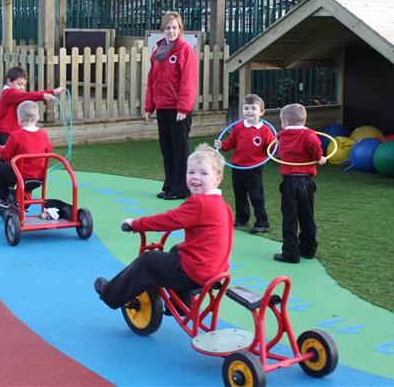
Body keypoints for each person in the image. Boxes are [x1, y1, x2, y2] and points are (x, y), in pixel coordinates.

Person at [94, 144, 233, 309]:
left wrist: (136, 224)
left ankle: (110, 294)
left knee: (148, 260)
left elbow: (168, 220)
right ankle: (181, 303)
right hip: (217, 270)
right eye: (191, 172)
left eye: (203, 173)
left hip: (197, 271)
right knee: (177, 249)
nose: (195, 177)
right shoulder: (223, 206)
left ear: (218, 178)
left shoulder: (200, 203)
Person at [144, 11, 198, 200]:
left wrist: (183, 108)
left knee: (179, 150)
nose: (171, 31)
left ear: (180, 29)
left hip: (178, 109)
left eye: (175, 27)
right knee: (167, 148)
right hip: (163, 106)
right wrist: (149, 108)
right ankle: (169, 185)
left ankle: (181, 188)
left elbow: (188, 82)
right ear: (162, 30)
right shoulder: (158, 51)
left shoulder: (185, 50)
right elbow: (152, 81)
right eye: (168, 28)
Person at [273, 103, 327, 264]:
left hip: (290, 182)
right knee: (307, 216)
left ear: (286, 122)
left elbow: (278, 150)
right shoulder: (310, 135)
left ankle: (290, 253)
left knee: (290, 218)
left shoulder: (282, 135)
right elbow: (316, 149)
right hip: (306, 182)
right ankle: (308, 250)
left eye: (282, 121)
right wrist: (320, 159)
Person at [214, 93, 275, 233]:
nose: (249, 111)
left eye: (253, 108)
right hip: (238, 166)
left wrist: (275, 147)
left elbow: (270, 149)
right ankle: (242, 218)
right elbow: (231, 143)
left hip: (254, 168)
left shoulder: (265, 130)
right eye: (246, 108)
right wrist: (221, 144)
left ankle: (262, 222)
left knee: (256, 195)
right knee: (239, 194)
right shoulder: (239, 127)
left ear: (261, 112)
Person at [0, 101, 53, 208]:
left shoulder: (16, 135)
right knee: (30, 165)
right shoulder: (44, 134)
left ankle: (0, 197)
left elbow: (5, 154)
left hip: (21, 175)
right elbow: (49, 149)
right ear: (37, 118)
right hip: (39, 176)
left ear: (19, 119)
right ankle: (24, 197)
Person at [0, 66, 63, 146]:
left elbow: (29, 95)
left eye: (24, 85)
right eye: (19, 84)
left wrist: (52, 92)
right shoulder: (8, 93)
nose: (22, 87)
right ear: (9, 81)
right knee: (5, 158)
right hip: (1, 135)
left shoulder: (16, 94)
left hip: (12, 134)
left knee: (16, 158)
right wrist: (44, 95)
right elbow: (28, 95)